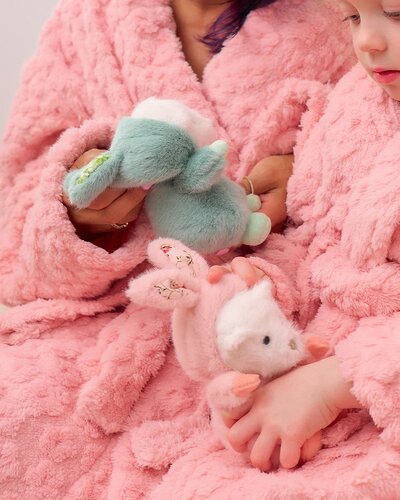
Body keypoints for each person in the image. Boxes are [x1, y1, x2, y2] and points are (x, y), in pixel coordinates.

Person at [0, 0, 354, 497]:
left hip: (287, 330)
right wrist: (82, 219)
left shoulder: (348, 15)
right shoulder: (90, 20)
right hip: (121, 322)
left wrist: (314, 169)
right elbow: (14, 225)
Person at [146, 0, 400, 497]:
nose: (366, 41)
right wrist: (261, 292)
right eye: (353, 16)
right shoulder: (357, 105)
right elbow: (315, 240)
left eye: (398, 13)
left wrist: (334, 386)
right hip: (304, 369)